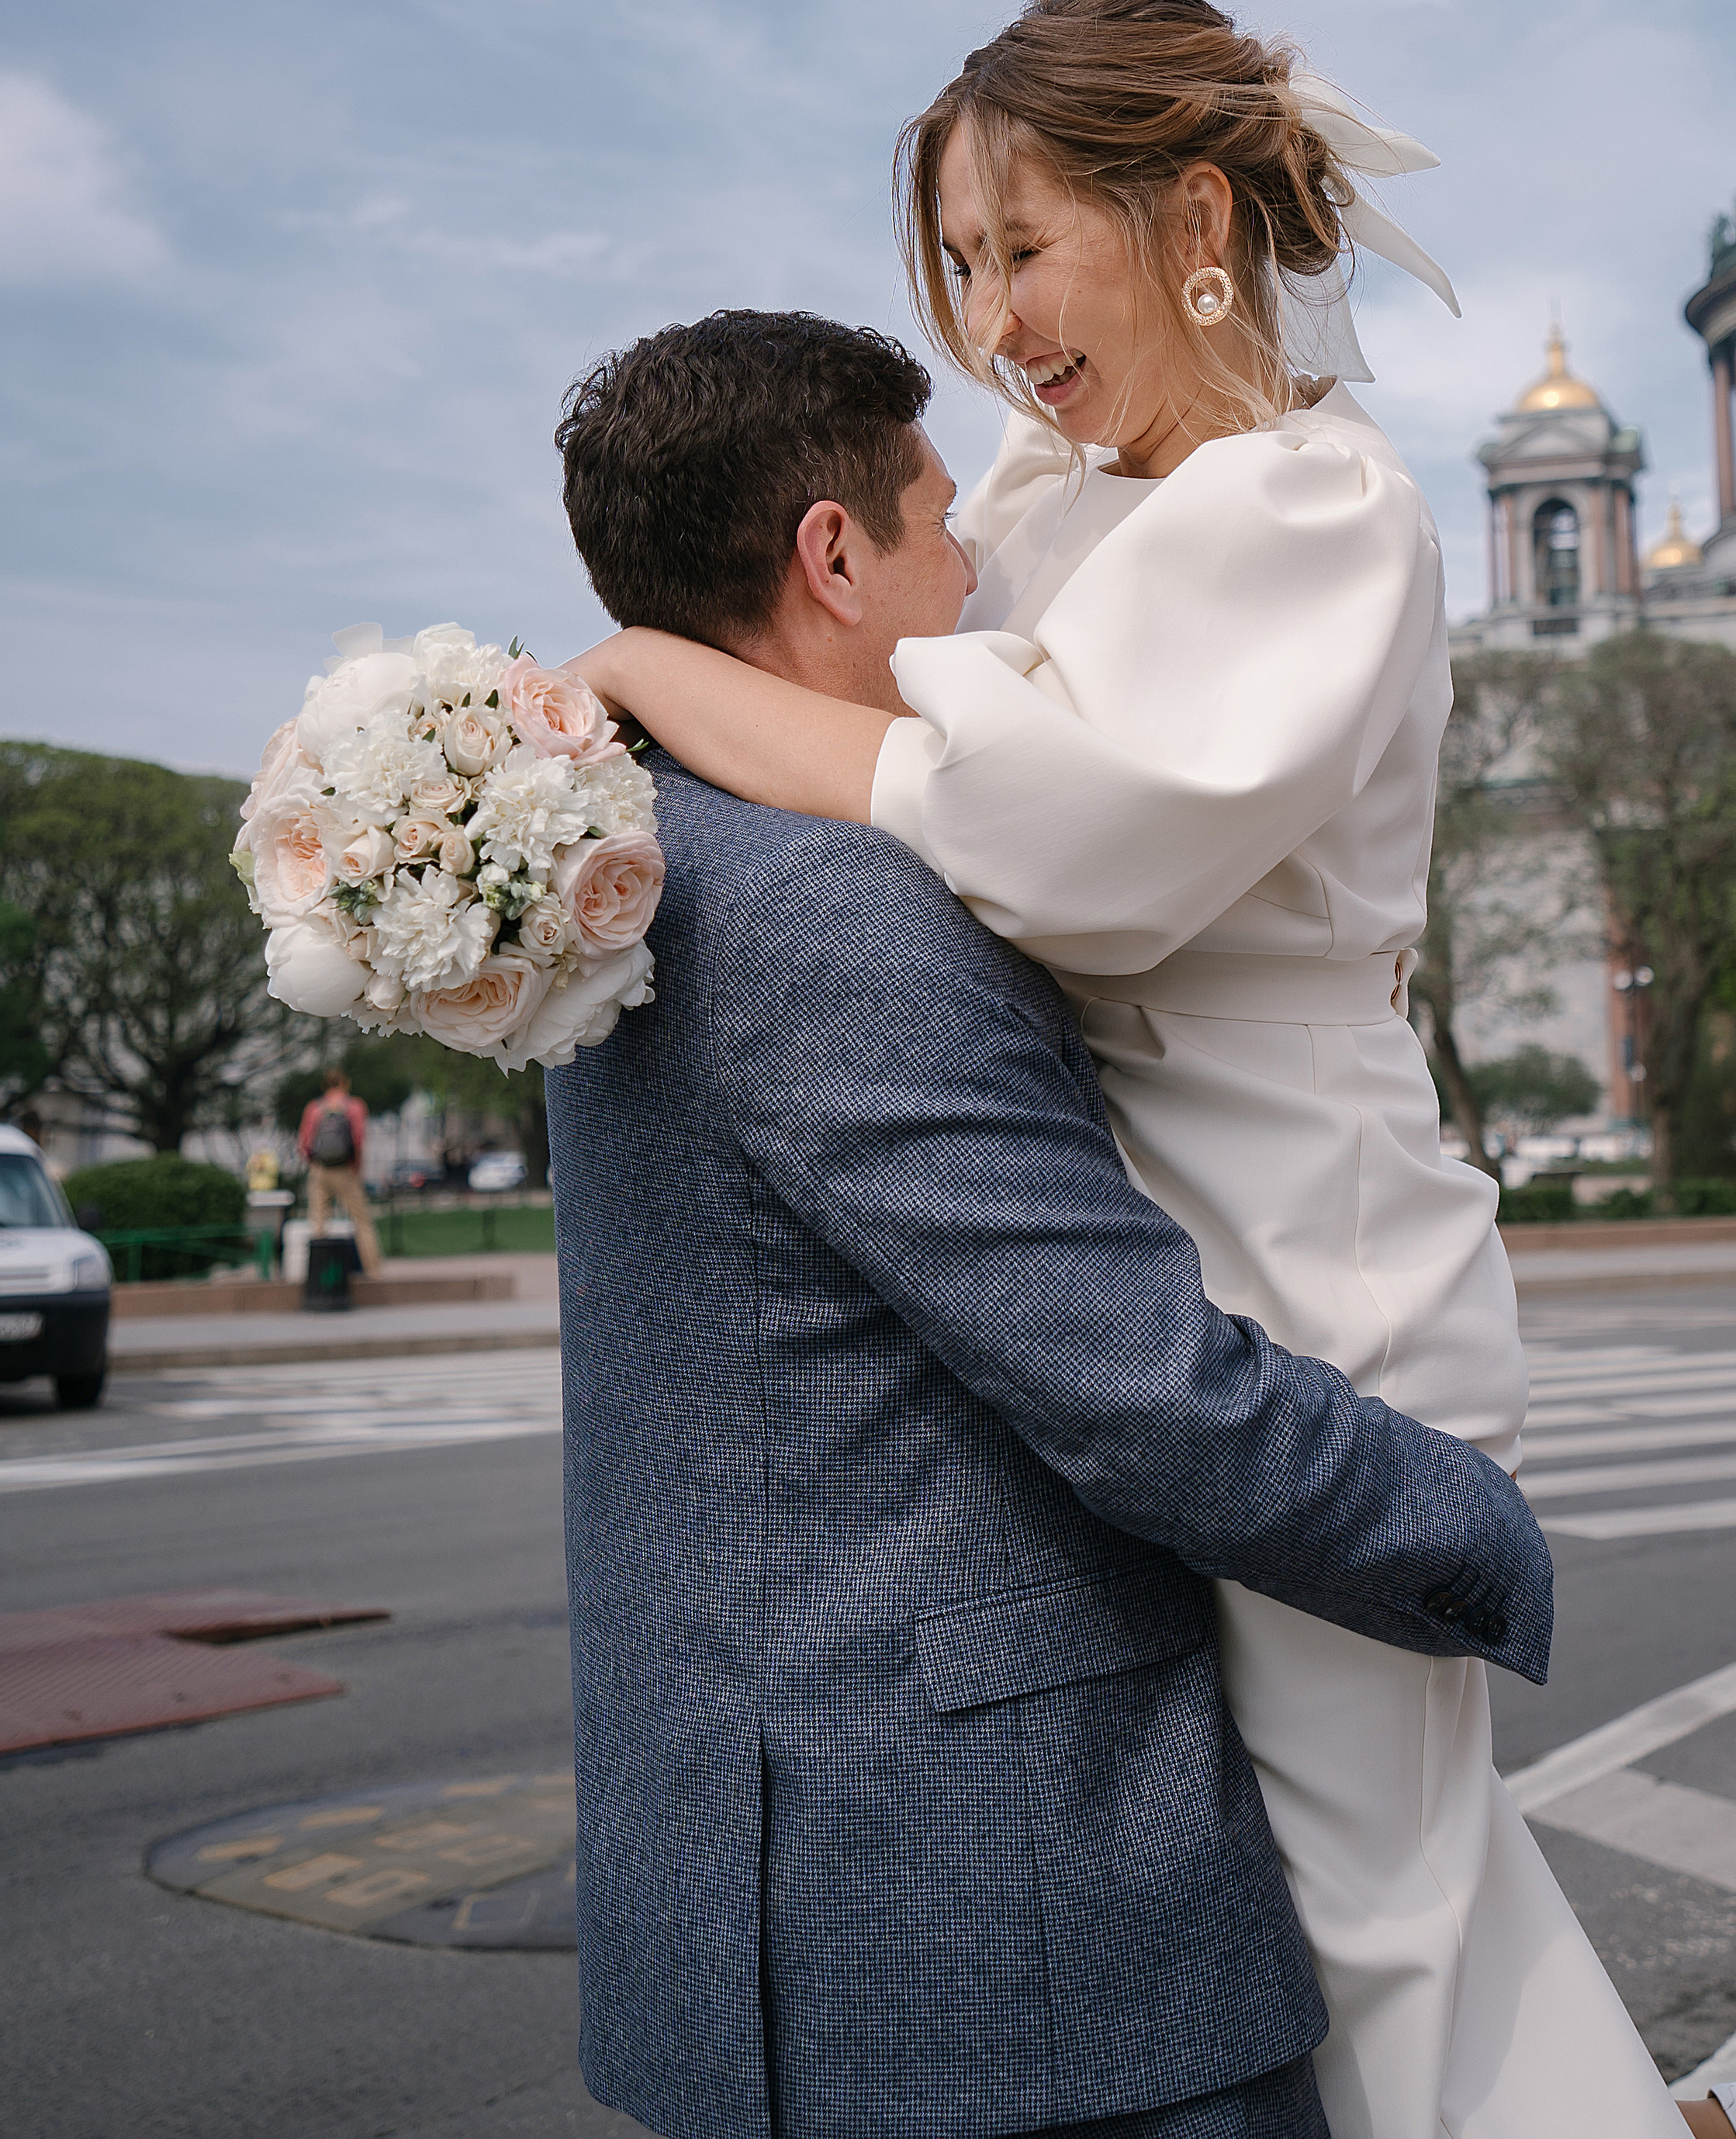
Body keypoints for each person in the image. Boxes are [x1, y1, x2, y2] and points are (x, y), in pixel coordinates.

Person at [572, 0, 1736, 2139]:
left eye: (1025, 247)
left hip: (1309, 1269)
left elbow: (1049, 831)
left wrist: (623, 673)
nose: (992, 324)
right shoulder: (1063, 503)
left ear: (1201, 223)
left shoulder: (1309, 510)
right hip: (1165, 1246)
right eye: (958, 267)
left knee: (1374, 1913)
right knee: (1285, 1916)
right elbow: (872, 693)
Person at [548, 310, 1555, 2139]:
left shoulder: (628, 874)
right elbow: (1141, 1390)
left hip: (735, 1881)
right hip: (1005, 1937)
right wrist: (1475, 1531)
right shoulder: (843, 914)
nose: (982, 575)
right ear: (832, 555)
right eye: (942, 527)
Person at [296, 1067, 382, 1274]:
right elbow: (359, 1140)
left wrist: (315, 1164)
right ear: (345, 1083)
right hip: (346, 1170)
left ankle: (318, 1272)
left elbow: (305, 1144)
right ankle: (374, 1272)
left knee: (318, 1222)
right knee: (362, 1222)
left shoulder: (315, 1108)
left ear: (325, 1085)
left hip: (320, 1170)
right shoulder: (354, 1106)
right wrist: (357, 1168)